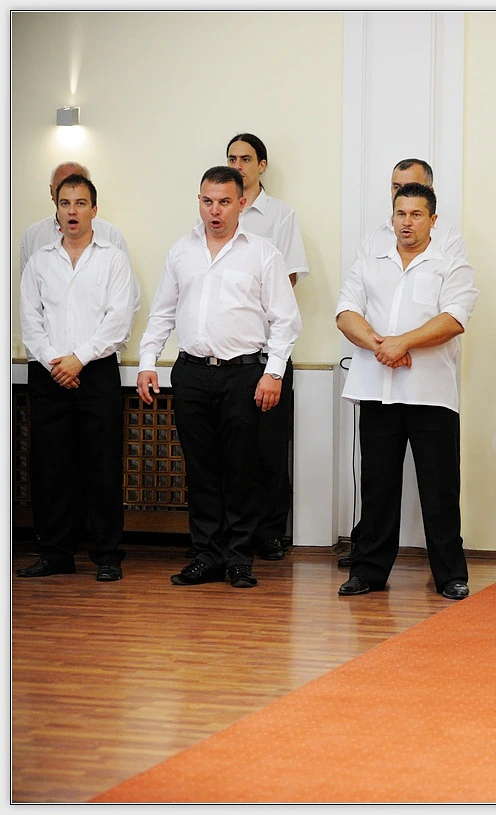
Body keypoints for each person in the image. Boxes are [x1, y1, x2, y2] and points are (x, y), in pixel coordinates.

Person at [136, 166, 301, 589]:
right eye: (208, 201)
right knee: (201, 470)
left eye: (224, 202)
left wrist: (273, 373)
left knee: (241, 469)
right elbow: (162, 313)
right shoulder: (181, 251)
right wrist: (147, 362)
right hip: (191, 373)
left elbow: (286, 320)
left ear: (241, 203)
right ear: (199, 201)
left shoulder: (262, 253)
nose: (215, 210)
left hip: (243, 374)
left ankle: (239, 558)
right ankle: (206, 555)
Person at [335, 182, 478, 600]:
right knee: (377, 485)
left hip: (430, 392)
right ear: (392, 217)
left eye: (416, 215)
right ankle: (369, 572)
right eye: (401, 214)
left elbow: (454, 318)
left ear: (433, 220)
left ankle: (450, 574)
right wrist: (382, 345)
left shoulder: (451, 265)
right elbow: (345, 312)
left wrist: (404, 342)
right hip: (376, 388)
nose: (407, 222)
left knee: (439, 488)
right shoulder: (370, 262)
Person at [17, 173, 138, 581]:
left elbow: (117, 321)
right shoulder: (40, 260)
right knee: (52, 466)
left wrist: (78, 360)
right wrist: (57, 362)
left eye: (81, 203)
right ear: (56, 210)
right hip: (48, 373)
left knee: (101, 465)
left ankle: (106, 555)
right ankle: (55, 553)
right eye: (65, 203)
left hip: (96, 372)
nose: (72, 211)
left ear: (94, 210)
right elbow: (30, 321)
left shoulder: (112, 259)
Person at [225, 133, 309, 562]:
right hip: (230, 354)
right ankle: (233, 533)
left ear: (262, 166)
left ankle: (271, 532)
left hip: (268, 349)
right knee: (234, 451)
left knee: (270, 448)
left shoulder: (279, 215)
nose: (238, 165)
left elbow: (288, 277)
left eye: (246, 159)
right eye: (232, 158)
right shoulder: (218, 213)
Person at [20, 162, 129, 272]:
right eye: (63, 184)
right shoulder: (32, 237)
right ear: (51, 190)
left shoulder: (111, 235)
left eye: (80, 203)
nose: (71, 190)